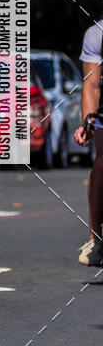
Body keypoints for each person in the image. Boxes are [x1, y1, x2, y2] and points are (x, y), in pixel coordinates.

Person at [74, 19, 103, 265]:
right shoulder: (96, 34)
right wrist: (87, 124)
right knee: (102, 162)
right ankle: (96, 238)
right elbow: (92, 85)